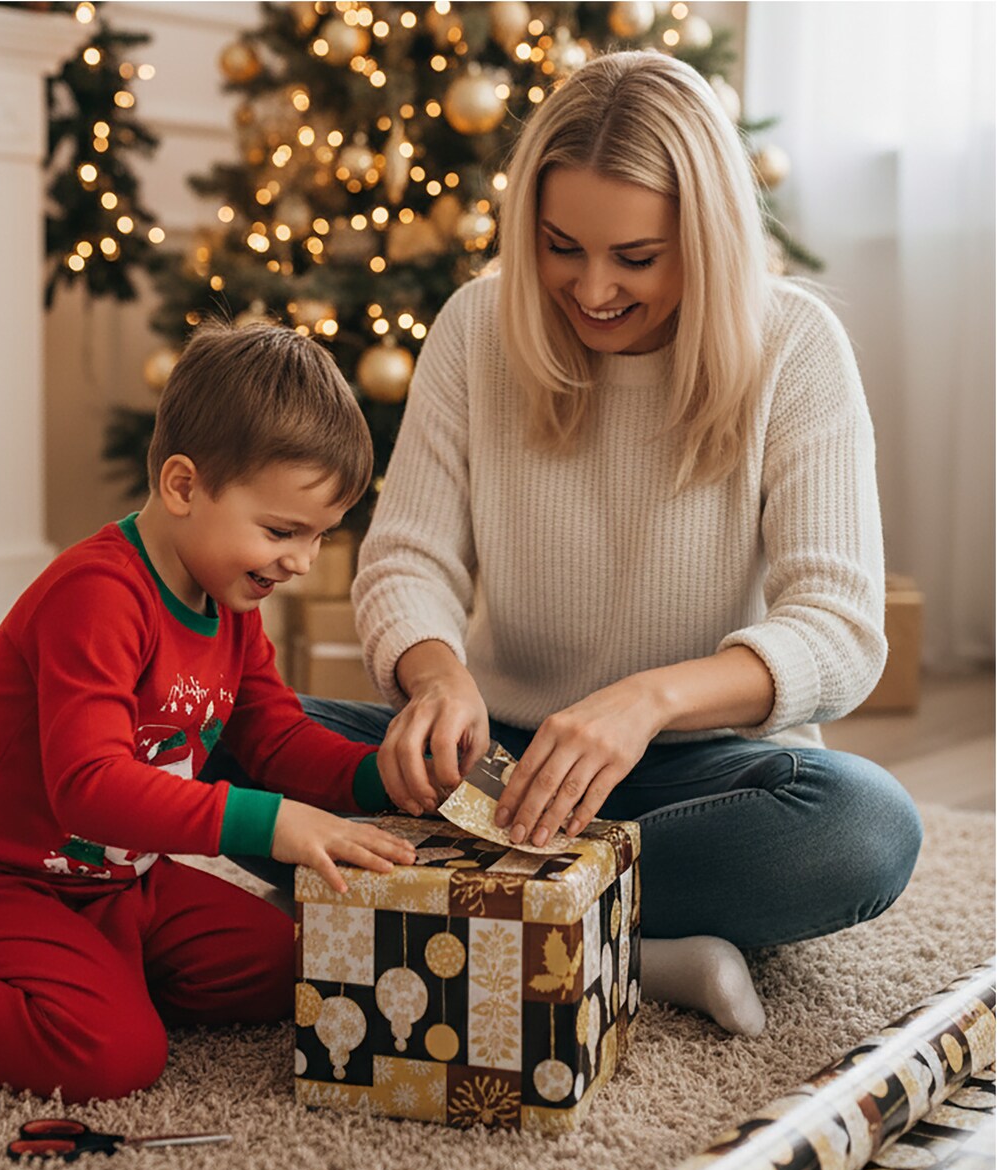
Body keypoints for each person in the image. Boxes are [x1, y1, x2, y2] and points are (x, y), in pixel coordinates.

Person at [313, 50, 923, 1036]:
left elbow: (842, 631)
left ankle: (477, 910)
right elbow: (407, 559)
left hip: (705, 767)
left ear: (708, 240)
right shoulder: (477, 328)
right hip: (498, 761)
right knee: (232, 744)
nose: (591, 290)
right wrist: (437, 682)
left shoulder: (798, 348)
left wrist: (646, 703)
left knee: (864, 832)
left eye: (636, 258)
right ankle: (634, 943)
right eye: (560, 247)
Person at [0, 323, 416, 1100]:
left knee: (306, 960)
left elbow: (277, 738)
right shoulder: (97, 596)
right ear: (184, 487)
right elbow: (89, 786)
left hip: (120, 889)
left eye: (321, 536)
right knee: (113, 1057)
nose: (301, 561)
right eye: (281, 531)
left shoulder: (231, 602)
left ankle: (91, 979)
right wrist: (275, 824)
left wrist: (381, 776)